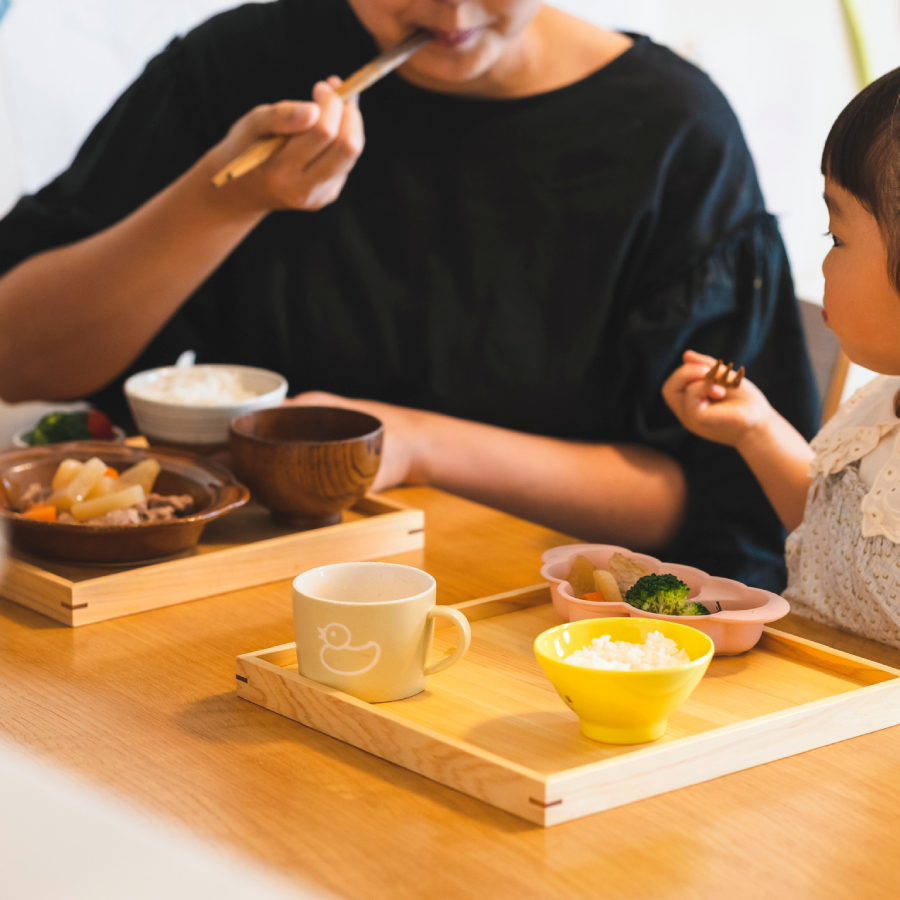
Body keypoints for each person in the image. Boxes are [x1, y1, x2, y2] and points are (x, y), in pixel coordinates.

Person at [0, 0, 817, 591]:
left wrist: (416, 444)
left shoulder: (674, 132)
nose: (451, 10)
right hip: (246, 593)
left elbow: (708, 501)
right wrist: (225, 198)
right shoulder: (241, 67)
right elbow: (19, 356)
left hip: (543, 626)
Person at [664, 66, 900, 646]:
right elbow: (835, 532)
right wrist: (759, 430)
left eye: (836, 238)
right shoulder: (877, 407)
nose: (822, 263)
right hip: (803, 697)